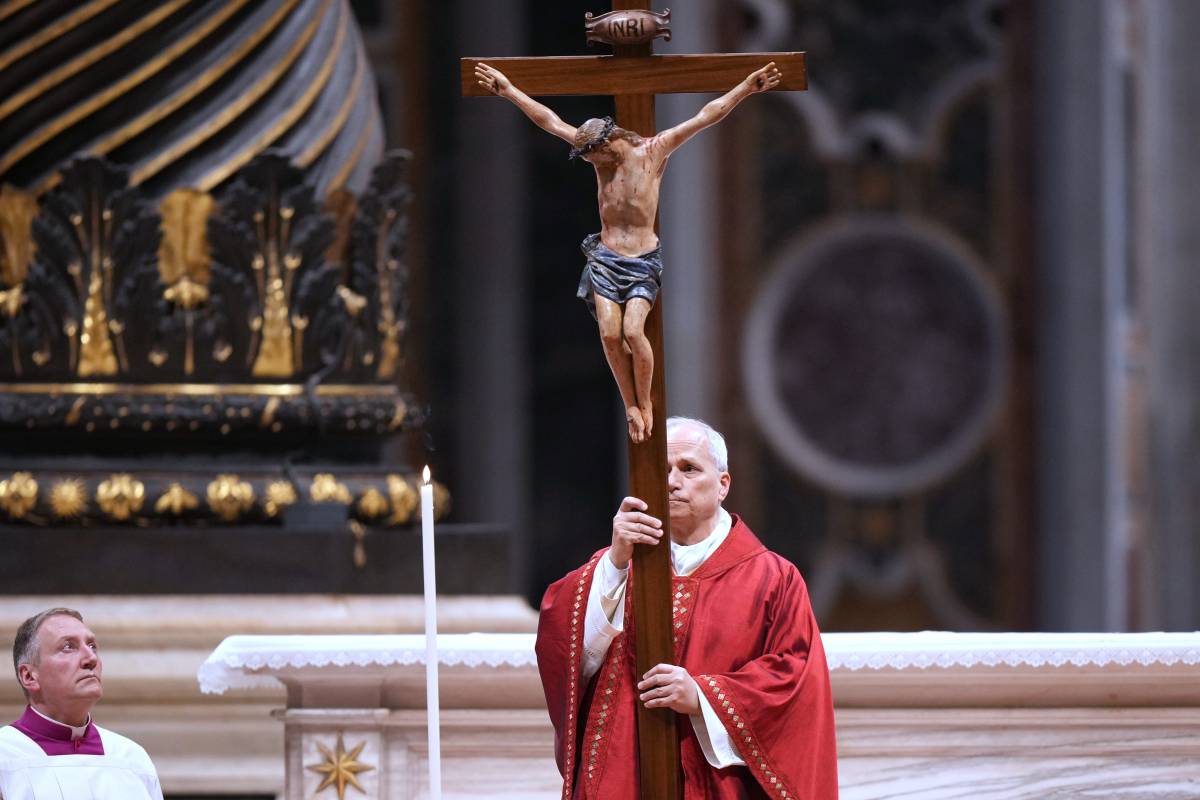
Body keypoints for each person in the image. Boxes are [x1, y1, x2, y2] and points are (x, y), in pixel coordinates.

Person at [474, 62, 782, 444]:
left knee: (634, 332)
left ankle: (647, 404)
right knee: (608, 334)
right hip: (605, 257)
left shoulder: (652, 153)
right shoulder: (596, 156)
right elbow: (549, 121)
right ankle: (630, 404)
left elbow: (705, 116)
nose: (588, 162)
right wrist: (507, 90)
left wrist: (746, 89)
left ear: (607, 144)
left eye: (591, 156)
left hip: (640, 261)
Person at [536, 417, 839, 798]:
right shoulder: (616, 566)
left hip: (719, 782)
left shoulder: (773, 578)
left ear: (723, 485)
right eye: (660, 470)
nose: (671, 482)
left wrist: (702, 696)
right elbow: (563, 649)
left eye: (688, 469)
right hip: (625, 771)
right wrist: (614, 563)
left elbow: (794, 679)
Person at [0, 608, 163, 799]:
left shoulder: (132, 757)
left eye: (92, 646)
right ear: (29, 676)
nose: (91, 659)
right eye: (68, 646)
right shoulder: (6, 754)